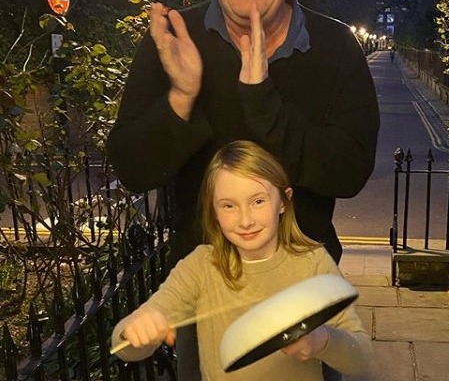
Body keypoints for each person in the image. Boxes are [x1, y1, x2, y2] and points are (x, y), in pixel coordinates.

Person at [107, 0, 380, 379]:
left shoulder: (335, 48)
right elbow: (132, 167)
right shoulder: (173, 43)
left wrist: (261, 102)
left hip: (307, 304)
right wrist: (183, 97)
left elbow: (348, 172)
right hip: (204, 298)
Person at [111, 141, 374, 380]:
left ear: (284, 201)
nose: (245, 220)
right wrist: (138, 333)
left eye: (258, 201)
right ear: (213, 211)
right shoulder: (200, 266)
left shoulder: (312, 264)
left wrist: (322, 340)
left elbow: (360, 355)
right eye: (229, 206)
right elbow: (122, 345)